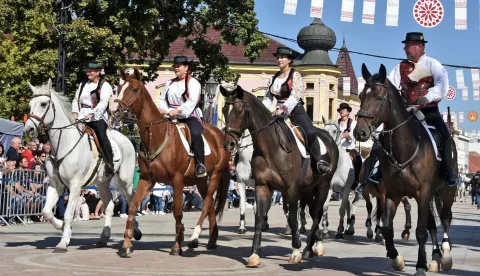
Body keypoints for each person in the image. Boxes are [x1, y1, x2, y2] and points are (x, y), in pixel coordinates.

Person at [388, 32, 456, 185]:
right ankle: (378, 170)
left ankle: (448, 171)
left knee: (445, 136)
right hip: (405, 113)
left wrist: (427, 97)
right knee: (384, 135)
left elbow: (442, 85)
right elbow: (390, 86)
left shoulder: (433, 64)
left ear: (419, 47)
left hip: (428, 111)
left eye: (407, 46)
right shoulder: (400, 67)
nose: (405, 49)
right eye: (405, 46)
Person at [262, 47, 330, 174]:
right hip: (277, 112)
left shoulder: (296, 76)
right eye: (277, 57)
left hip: (295, 110)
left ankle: (319, 162)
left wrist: (283, 108)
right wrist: (263, 109)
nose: (279, 59)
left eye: (282, 57)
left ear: (289, 60)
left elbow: (295, 96)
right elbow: (268, 98)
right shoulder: (272, 79)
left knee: (310, 132)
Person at [157, 56, 206, 177]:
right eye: (175, 66)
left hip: (189, 115)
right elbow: (162, 99)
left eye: (178, 66)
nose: (176, 68)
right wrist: (163, 109)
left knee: (195, 133)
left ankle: (201, 164)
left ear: (186, 67)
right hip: (169, 114)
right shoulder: (169, 83)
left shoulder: (193, 83)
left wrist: (178, 111)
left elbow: (192, 101)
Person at [72, 61, 115, 177]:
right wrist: (75, 112)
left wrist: (92, 114)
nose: (88, 73)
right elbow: (76, 99)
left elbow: (103, 103)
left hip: (97, 116)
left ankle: (110, 164)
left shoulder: (105, 85)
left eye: (90, 71)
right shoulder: (82, 84)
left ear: (98, 72)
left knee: (101, 136)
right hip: (82, 115)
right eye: (87, 71)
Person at [337, 103, 362, 188]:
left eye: (343, 110)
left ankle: (357, 183)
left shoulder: (353, 123)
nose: (341, 111)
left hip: (349, 148)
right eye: (340, 110)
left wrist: (343, 135)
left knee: (358, 159)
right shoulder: (336, 123)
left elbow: (353, 134)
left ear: (348, 112)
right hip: (338, 149)